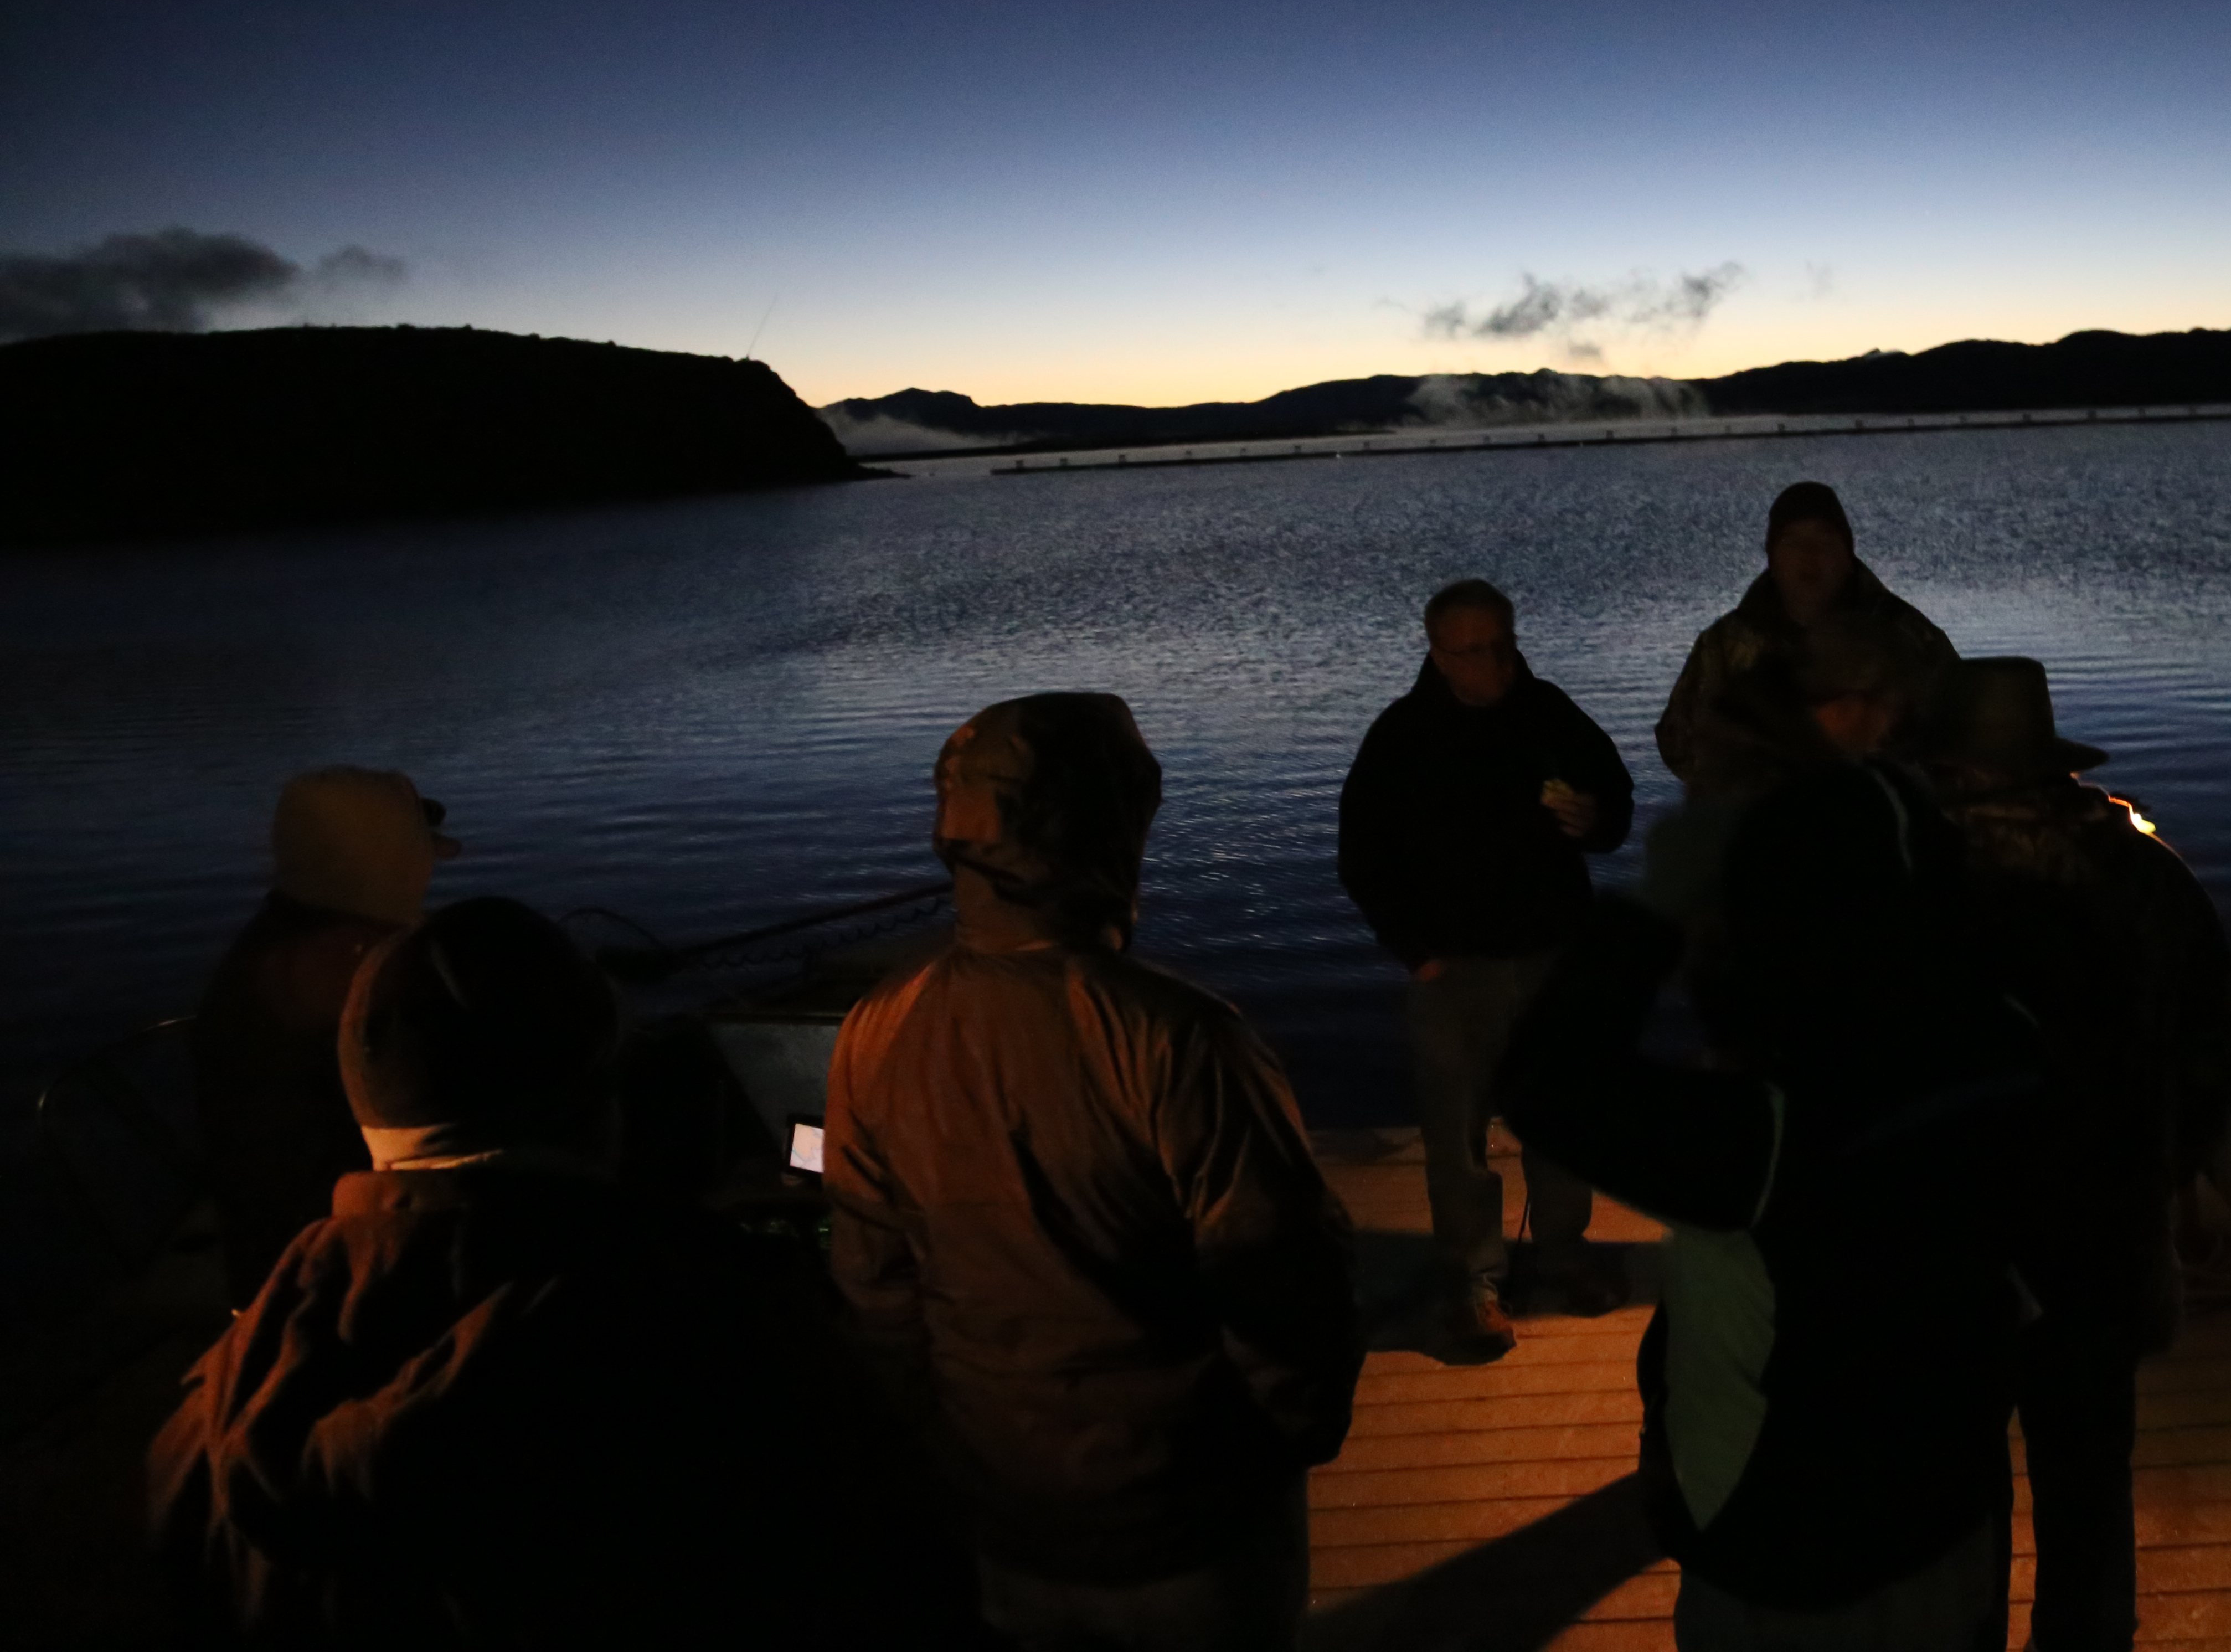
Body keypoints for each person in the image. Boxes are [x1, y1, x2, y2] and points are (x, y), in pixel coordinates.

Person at [151, 897, 970, 1648]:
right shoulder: (715, 1340)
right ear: (602, 1097)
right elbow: (895, 1576)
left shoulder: (213, 1414)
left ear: (364, 1105)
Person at [825, 694, 1362, 1652]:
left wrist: (944, 1441)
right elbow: (1284, 1282)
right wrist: (1287, 1437)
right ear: (1104, 829)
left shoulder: (875, 1029)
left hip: (1003, 1517)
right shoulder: (1180, 1041)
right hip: (1185, 1530)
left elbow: (874, 1283)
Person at [1500, 762, 2039, 1651]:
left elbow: (1544, 1083)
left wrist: (1654, 907)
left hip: (1784, 1550)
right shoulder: (2007, 1045)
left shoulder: (1768, 1137)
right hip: (1949, 1510)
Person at [1924, 657, 2231, 1652]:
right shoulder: (2149, 875)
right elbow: (2221, 1053)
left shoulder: (1919, 882)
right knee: (2087, 1496)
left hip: (1953, 1251)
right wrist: (2159, 1167)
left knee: (1953, 1503)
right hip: (2102, 1246)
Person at [1337, 578, 1636, 1360]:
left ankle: (1564, 1256)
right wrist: (1417, 951)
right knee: (1457, 1134)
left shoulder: (1550, 715)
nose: (1494, 664)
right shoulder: (1401, 737)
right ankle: (1475, 1278)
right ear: (1437, 654)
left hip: (1552, 952)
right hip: (1454, 967)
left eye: (1502, 644)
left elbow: (1614, 796)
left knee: (1564, 1115)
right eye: (1473, 651)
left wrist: (1595, 817)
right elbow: (1363, 854)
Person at [192, 766, 461, 1306]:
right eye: (419, 855)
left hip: (279, 1263)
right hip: (336, 1287)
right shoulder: (359, 976)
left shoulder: (285, 941)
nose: (430, 871)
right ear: (382, 864)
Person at [1655, 481, 1958, 799]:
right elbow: (1677, 741)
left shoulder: (1907, 635)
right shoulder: (1726, 643)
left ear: (1847, 553)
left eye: (1824, 542)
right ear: (1771, 557)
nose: (1809, 557)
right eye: (1793, 543)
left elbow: (1959, 732)